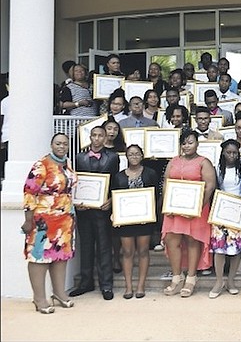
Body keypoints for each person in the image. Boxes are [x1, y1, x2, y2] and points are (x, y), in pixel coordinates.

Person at [22, 133, 77, 313]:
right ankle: (39, 298)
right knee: (40, 257)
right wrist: (28, 220)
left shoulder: (67, 163)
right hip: (43, 220)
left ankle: (59, 294)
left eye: (65, 144)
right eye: (58, 143)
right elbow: (29, 192)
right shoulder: (42, 164)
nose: (61, 147)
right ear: (51, 145)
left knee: (60, 257)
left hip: (65, 220)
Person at [162, 130, 216, 297]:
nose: (187, 146)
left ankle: (191, 278)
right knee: (172, 241)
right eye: (184, 143)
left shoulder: (203, 162)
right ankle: (177, 277)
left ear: (197, 143)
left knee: (193, 241)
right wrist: (167, 203)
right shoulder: (173, 161)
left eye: (190, 142)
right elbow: (166, 182)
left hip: (196, 211)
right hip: (174, 210)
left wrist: (197, 208)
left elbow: (210, 186)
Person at [70, 126, 120, 300]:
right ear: (90, 137)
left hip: (102, 209)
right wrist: (76, 202)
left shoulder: (112, 157)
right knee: (86, 245)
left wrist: (112, 200)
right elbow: (76, 182)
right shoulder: (79, 157)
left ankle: (106, 285)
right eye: (94, 135)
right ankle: (86, 282)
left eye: (100, 135)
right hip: (84, 208)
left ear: (105, 137)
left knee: (104, 246)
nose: (97, 138)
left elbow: (115, 181)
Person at [111, 144, 159, 299]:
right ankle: (128, 287)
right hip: (126, 221)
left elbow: (156, 196)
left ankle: (140, 286)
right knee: (127, 252)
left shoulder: (150, 173)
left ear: (142, 155)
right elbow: (115, 197)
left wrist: (152, 214)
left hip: (145, 220)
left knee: (143, 251)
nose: (134, 157)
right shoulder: (118, 176)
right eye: (131, 154)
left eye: (137, 154)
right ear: (126, 156)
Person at [209, 139, 241, 299]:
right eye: (229, 152)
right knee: (219, 249)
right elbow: (215, 190)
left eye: (235, 152)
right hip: (222, 211)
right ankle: (219, 281)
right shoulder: (217, 169)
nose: (232, 155)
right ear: (223, 152)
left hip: (239, 212)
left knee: (236, 249)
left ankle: (231, 281)